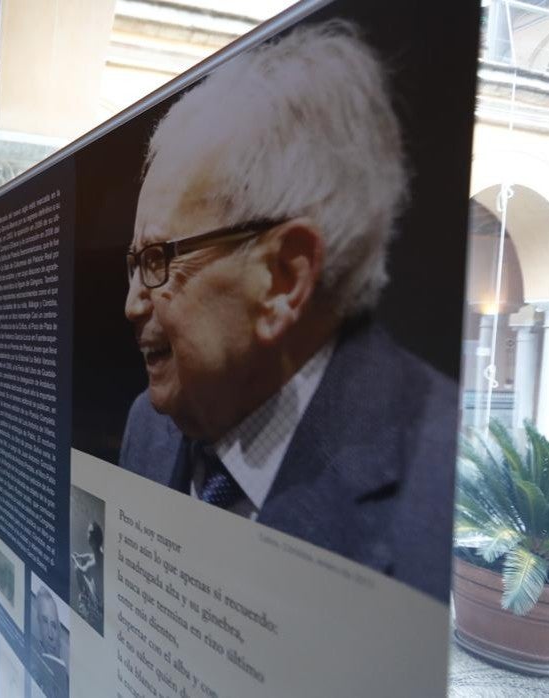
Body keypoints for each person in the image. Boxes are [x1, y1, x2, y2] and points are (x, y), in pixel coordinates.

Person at [118, 21, 456, 600]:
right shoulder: (147, 427)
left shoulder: (434, 491)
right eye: (132, 264)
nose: (130, 306)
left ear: (283, 278)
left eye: (156, 260)